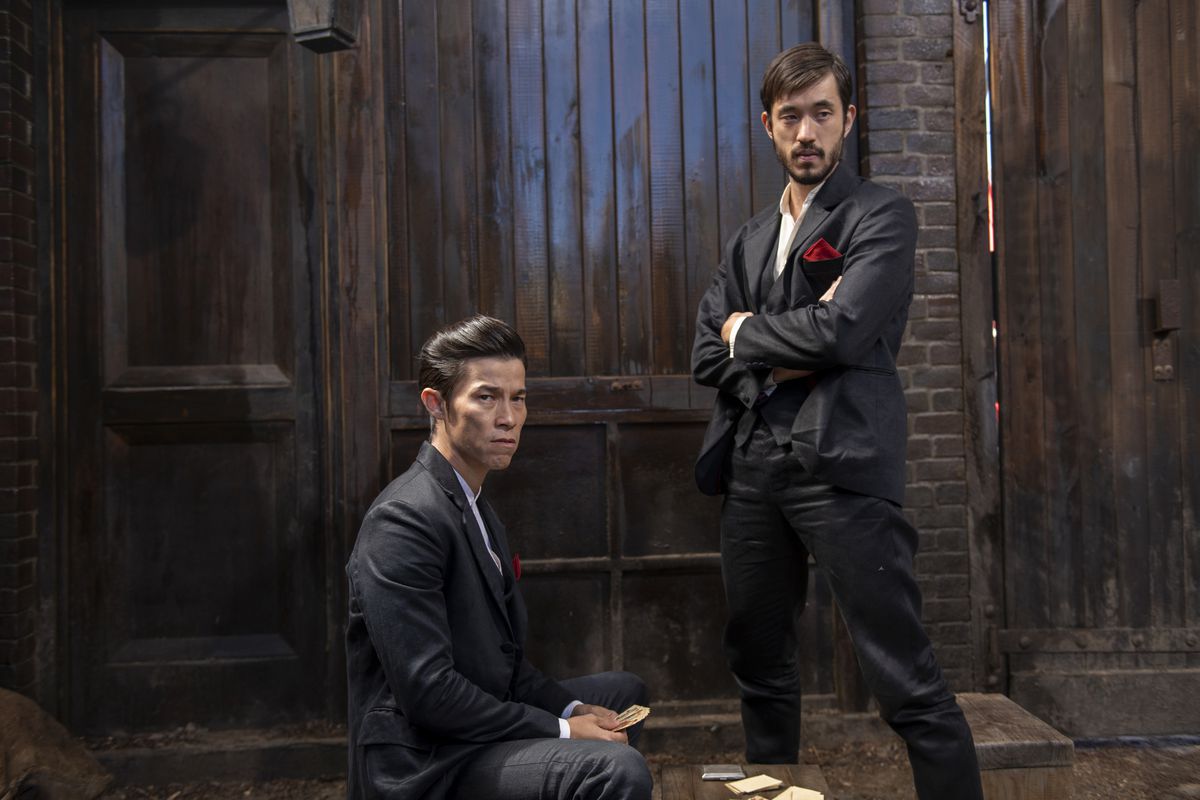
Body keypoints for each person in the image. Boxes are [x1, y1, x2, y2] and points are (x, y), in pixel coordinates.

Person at [691, 43, 984, 799]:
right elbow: (703, 347)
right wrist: (786, 343)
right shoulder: (748, 238)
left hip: (844, 463)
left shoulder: (881, 214)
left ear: (848, 119)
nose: (807, 132)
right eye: (791, 116)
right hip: (752, 467)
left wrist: (748, 333)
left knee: (902, 675)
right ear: (768, 126)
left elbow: (846, 333)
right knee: (760, 663)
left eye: (823, 112)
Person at [346, 315, 652, 800]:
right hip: (429, 761)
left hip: (475, 729)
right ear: (436, 404)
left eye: (519, 397)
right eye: (487, 397)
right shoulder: (402, 520)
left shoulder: (476, 506)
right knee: (617, 769)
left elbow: (505, 667)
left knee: (622, 693)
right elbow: (428, 695)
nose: (508, 417)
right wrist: (564, 731)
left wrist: (570, 709)